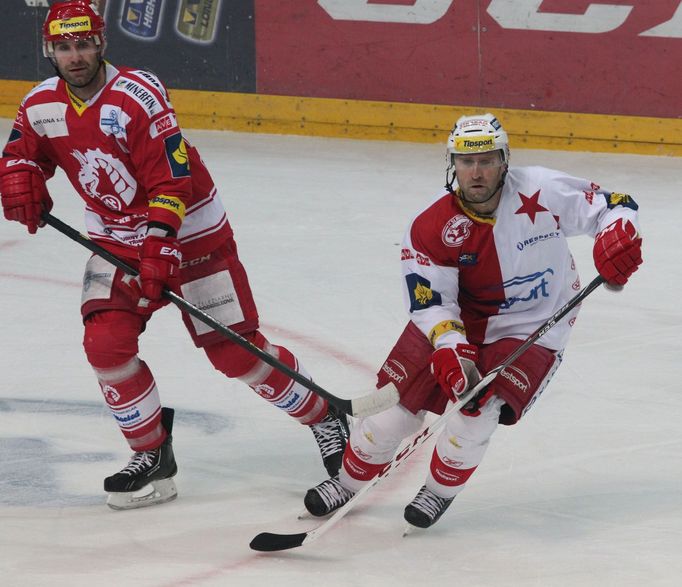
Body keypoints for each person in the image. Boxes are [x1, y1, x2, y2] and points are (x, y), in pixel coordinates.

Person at [0, 1, 348, 510]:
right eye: (64, 47)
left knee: (234, 352)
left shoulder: (138, 97)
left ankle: (324, 417)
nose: (75, 56)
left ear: (102, 43)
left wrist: (161, 249)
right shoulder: (39, 105)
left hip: (192, 237)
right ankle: (152, 454)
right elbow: (20, 152)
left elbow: (171, 180)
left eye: (84, 44)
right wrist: (18, 177)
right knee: (105, 343)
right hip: (117, 239)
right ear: (49, 50)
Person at [303, 113, 643, 529]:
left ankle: (438, 491)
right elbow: (431, 302)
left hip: (534, 324)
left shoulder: (542, 189)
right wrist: (450, 349)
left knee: (477, 413)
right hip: (459, 319)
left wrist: (619, 236)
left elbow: (615, 206)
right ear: (453, 165)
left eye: (487, 160)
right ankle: (347, 482)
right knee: (393, 411)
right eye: (467, 161)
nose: (476, 172)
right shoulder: (431, 227)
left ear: (504, 160)